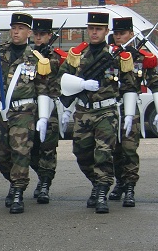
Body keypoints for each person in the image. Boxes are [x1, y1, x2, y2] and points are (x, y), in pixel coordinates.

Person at [59, 11, 138, 213]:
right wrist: (80, 86)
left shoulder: (118, 55)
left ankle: (102, 190)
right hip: (83, 111)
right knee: (81, 152)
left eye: (99, 29)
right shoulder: (77, 54)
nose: (94, 33)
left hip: (107, 111)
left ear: (106, 31)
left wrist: (129, 114)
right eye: (91, 29)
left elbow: (129, 87)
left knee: (103, 153)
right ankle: (96, 183)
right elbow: (62, 80)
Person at [0, 12, 53, 214]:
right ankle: (14, 181)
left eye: (21, 28)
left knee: (21, 151)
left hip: (24, 111)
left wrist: (44, 118)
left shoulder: (36, 58)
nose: (16, 32)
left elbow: (42, 88)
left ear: (29, 32)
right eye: (13, 28)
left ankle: (17, 190)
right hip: (1, 110)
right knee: (0, 151)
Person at [109, 17, 158, 207]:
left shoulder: (142, 58)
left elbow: (155, 84)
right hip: (110, 107)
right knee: (113, 150)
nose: (119, 37)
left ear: (130, 34)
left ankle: (129, 188)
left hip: (130, 109)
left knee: (129, 149)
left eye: (123, 34)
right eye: (116, 34)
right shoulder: (107, 56)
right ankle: (119, 182)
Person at [29, 18, 66, 204]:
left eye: (42, 34)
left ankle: (44, 184)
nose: (38, 37)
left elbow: (62, 82)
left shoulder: (57, 57)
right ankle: (40, 174)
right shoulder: (27, 55)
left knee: (48, 148)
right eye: (35, 34)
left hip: (49, 107)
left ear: (49, 35)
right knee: (29, 148)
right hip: (28, 108)